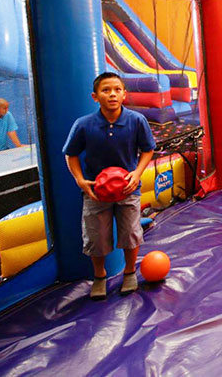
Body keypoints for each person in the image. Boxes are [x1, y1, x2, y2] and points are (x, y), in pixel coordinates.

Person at [63, 72, 156, 300]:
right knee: (96, 237)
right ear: (95, 96)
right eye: (106, 90)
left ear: (124, 94)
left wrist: (137, 173)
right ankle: (99, 276)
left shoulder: (136, 121)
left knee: (131, 233)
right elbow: (71, 154)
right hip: (96, 193)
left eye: (117, 89)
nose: (112, 94)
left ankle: (129, 272)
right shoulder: (84, 124)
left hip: (128, 190)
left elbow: (148, 149)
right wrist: (80, 180)